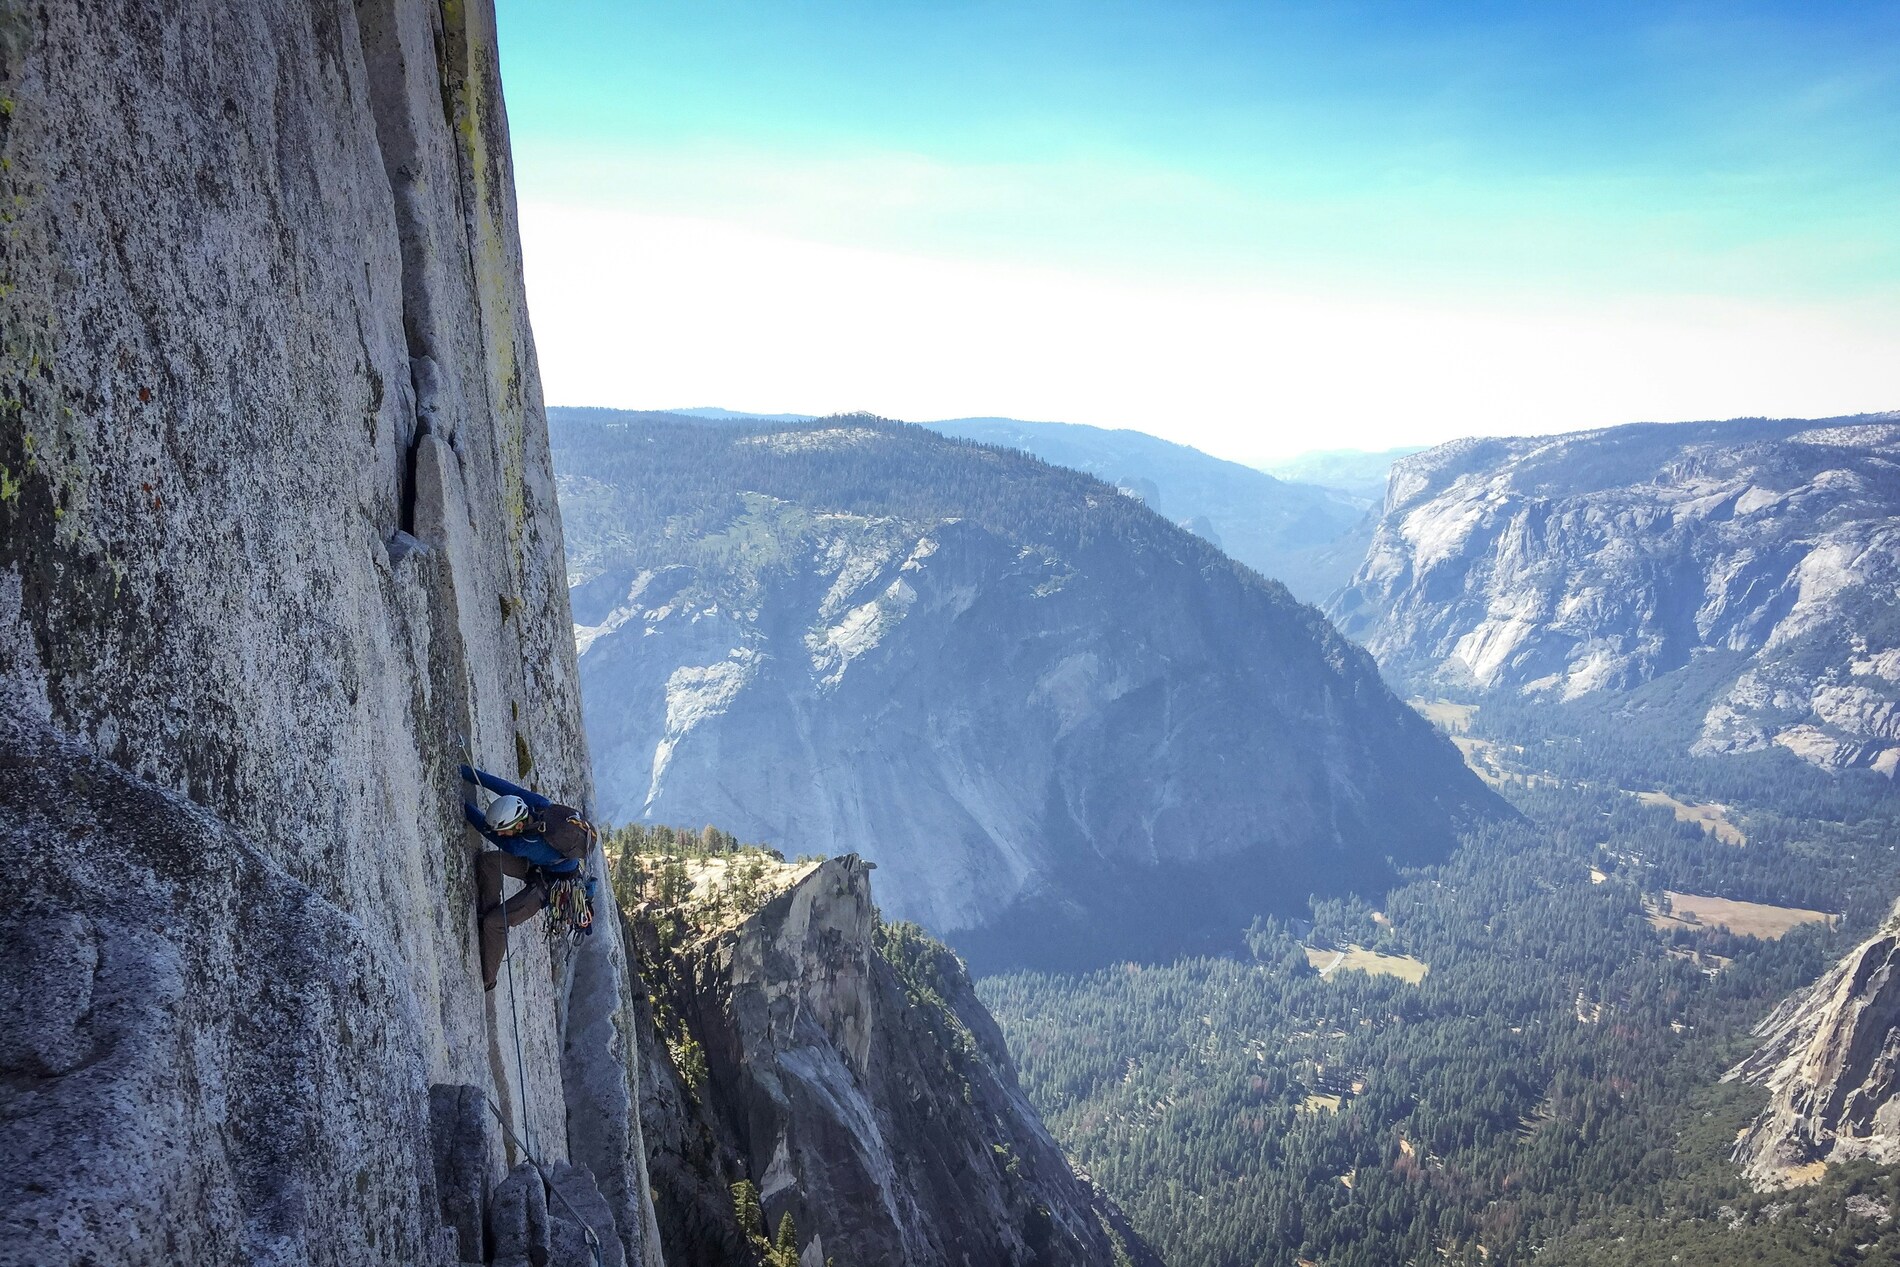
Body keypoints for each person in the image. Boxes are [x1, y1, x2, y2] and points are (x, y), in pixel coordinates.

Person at [460, 764, 596, 990]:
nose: (501, 833)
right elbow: (504, 787)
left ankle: (487, 980)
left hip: (550, 887)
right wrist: (467, 772)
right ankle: (486, 912)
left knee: (496, 923)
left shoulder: (523, 844)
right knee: (489, 862)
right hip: (541, 867)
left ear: (519, 825)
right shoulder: (537, 805)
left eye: (504, 830)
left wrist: (461, 804)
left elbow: (487, 830)